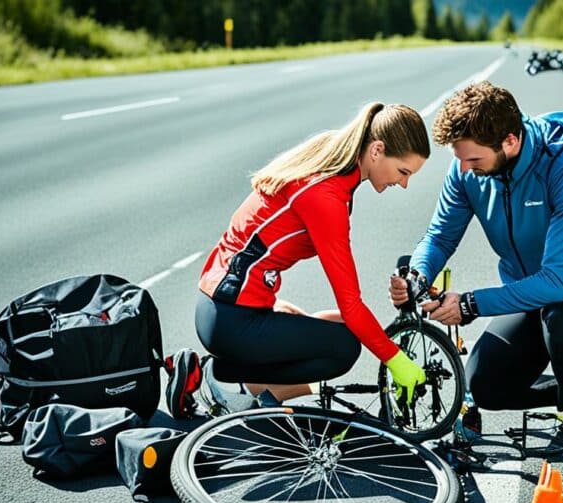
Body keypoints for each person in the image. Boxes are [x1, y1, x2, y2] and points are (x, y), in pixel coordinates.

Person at [390, 82, 563, 455]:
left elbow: (556, 281)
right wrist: (418, 276)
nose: (464, 169)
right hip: (535, 298)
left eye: (473, 160)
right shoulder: (466, 170)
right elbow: (439, 237)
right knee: (485, 385)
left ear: (510, 142)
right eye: (459, 159)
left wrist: (470, 305)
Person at [167, 102, 431, 418]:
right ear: (376, 150)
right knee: (344, 348)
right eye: (403, 172)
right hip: (231, 319)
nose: (403, 184)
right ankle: (224, 384)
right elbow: (351, 301)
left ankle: (222, 374)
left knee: (340, 324)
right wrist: (396, 360)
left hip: (224, 305)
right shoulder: (325, 195)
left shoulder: (332, 162)